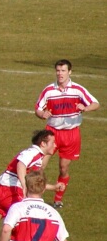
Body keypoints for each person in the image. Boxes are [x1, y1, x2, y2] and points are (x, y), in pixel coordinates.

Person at [35, 59, 100, 208]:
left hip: (71, 134)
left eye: (63, 70)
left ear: (69, 72)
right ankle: (34, 196)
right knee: (39, 165)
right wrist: (42, 114)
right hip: (51, 133)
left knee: (63, 168)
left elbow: (96, 103)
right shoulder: (49, 90)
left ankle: (58, 199)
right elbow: (38, 108)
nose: (60, 74)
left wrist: (85, 108)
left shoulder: (77, 89)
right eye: (58, 71)